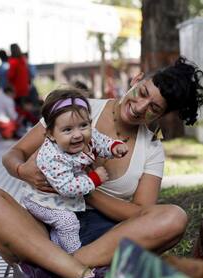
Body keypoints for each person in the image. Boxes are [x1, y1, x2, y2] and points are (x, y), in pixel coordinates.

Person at [0, 56, 203, 278]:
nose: (140, 107)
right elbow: (14, 154)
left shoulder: (152, 148)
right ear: (137, 79)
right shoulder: (76, 107)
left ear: (162, 114)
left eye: (154, 108)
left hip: (101, 239)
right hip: (42, 223)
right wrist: (21, 171)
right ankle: (76, 272)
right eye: (143, 92)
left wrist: (85, 190)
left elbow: (141, 213)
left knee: (174, 218)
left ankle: (50, 270)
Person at [23, 87, 128, 256]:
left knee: (69, 223)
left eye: (83, 125)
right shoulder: (52, 156)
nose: (78, 134)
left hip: (60, 198)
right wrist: (94, 179)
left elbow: (100, 141)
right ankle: (74, 256)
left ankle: (56, 242)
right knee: (68, 222)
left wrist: (113, 147)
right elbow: (67, 187)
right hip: (42, 201)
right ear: (50, 134)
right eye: (67, 130)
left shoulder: (88, 135)